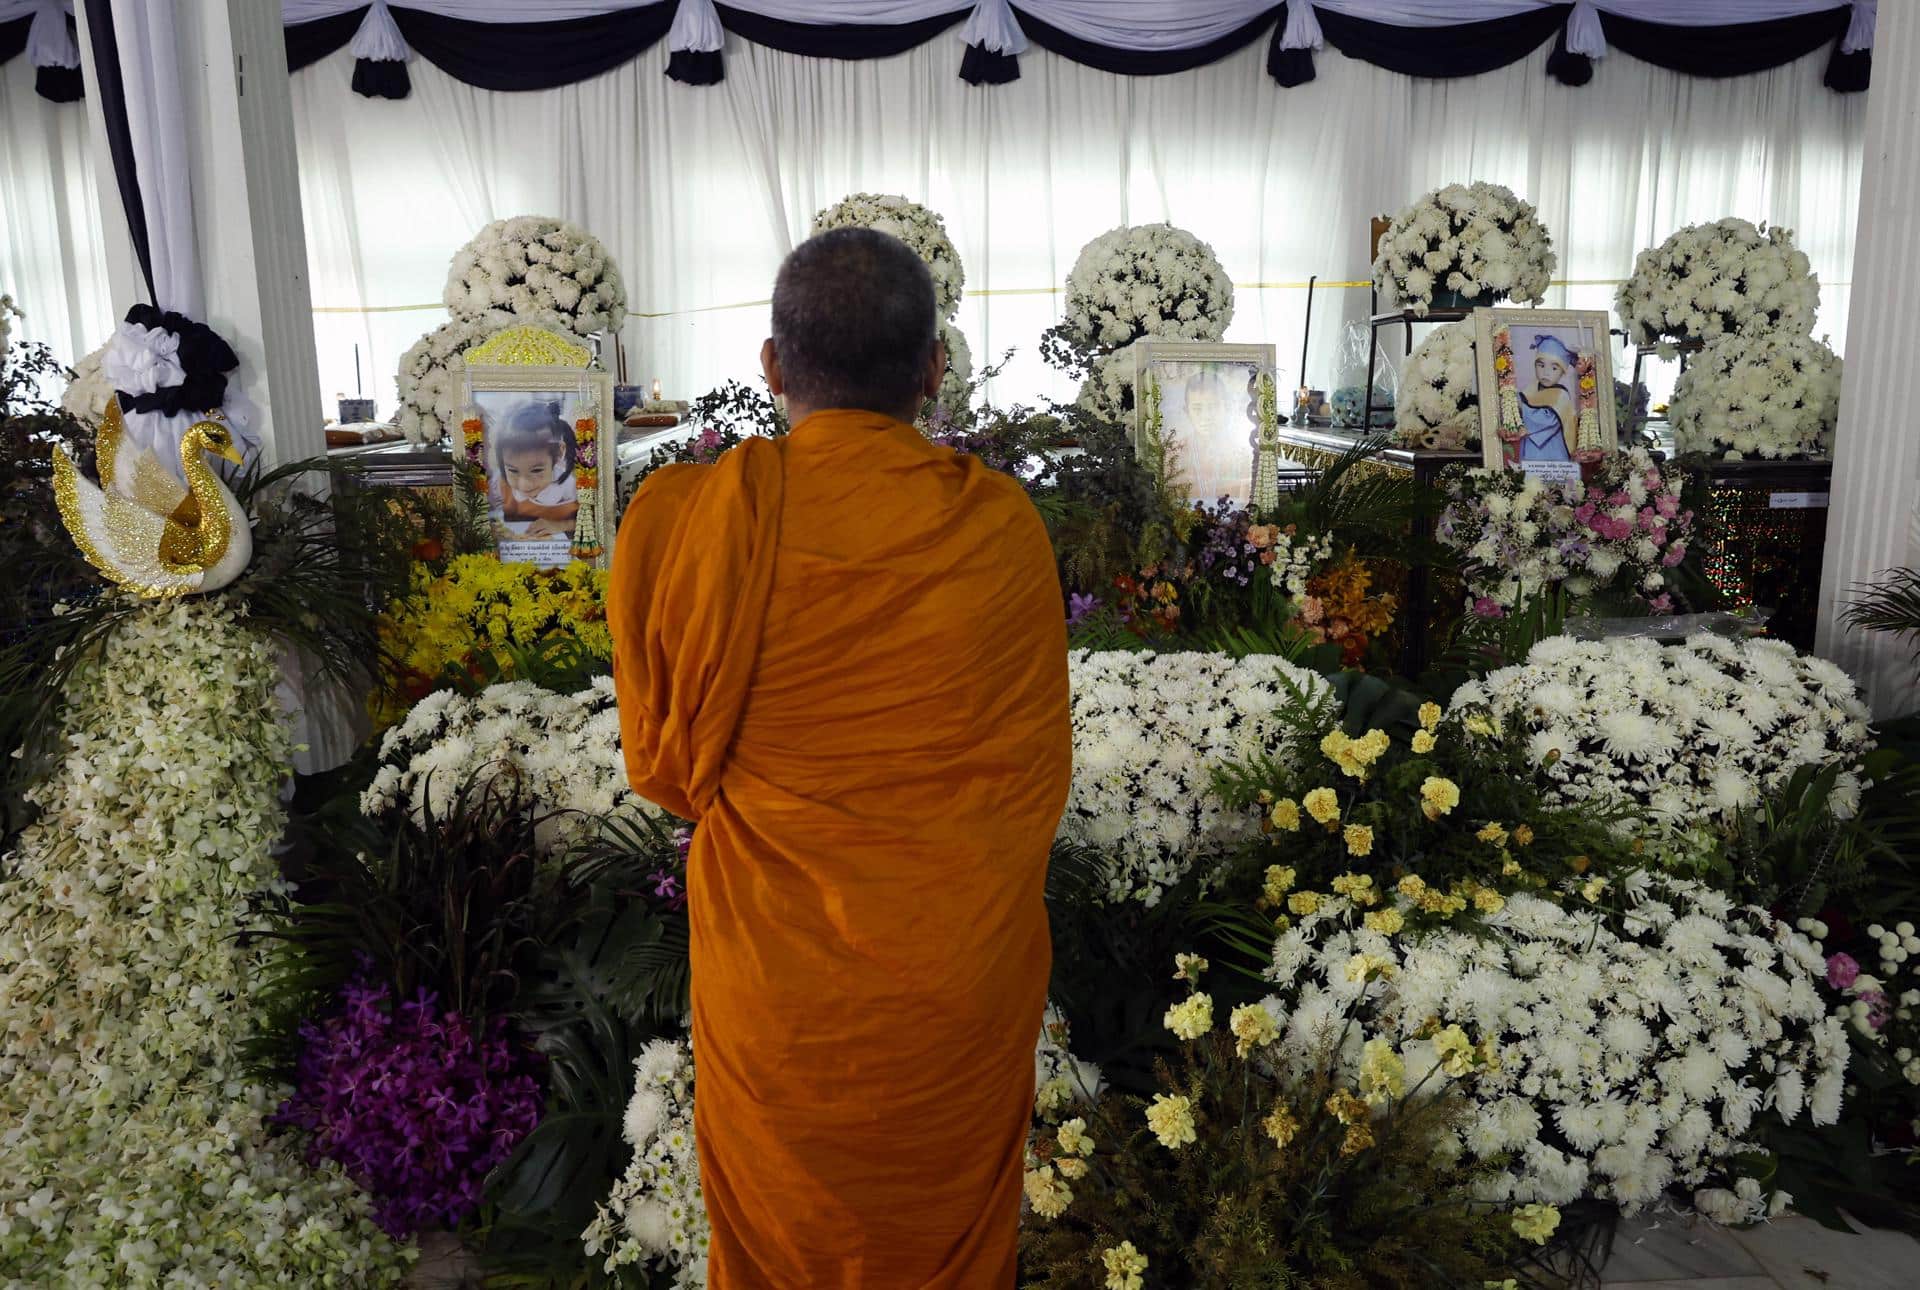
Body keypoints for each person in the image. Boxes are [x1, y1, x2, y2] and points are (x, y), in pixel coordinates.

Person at [606, 228, 1071, 1287]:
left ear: (773, 366)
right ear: (933, 370)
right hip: (955, 989)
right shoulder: (999, 527)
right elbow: (1031, 776)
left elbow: (668, 772)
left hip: (781, 996)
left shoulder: (697, 521)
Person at [490, 400, 579, 538]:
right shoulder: (499, 484)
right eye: (513, 471)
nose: (524, 485)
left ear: (559, 453)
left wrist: (561, 525)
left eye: (537, 470)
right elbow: (486, 516)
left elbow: (593, 520)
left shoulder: (570, 486)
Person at [1511, 334, 1578, 464]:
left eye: (1554, 368)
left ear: (1562, 372)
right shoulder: (1532, 388)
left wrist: (1519, 409)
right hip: (1530, 450)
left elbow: (1544, 421)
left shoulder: (1560, 396)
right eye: (1541, 365)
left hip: (1552, 454)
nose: (1546, 372)